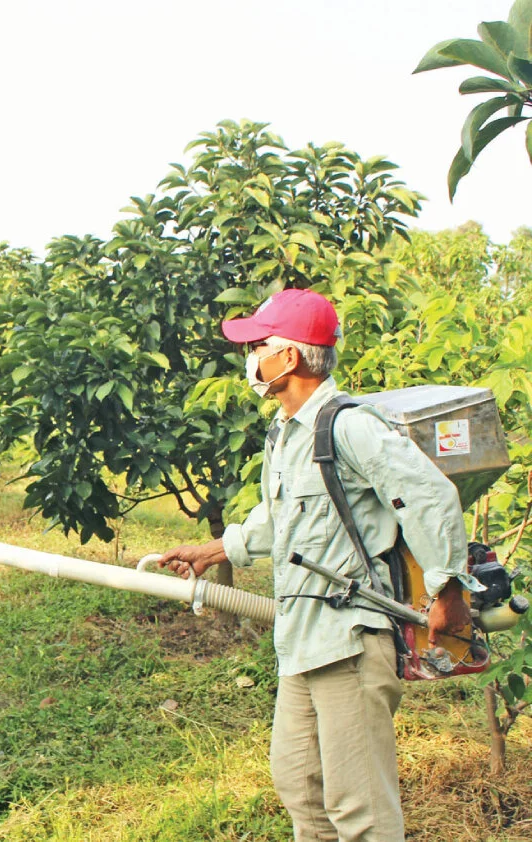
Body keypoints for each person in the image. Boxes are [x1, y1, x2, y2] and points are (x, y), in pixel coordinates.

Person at [158, 288, 476, 842]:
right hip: (303, 639)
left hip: (349, 638)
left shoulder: (348, 424)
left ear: (289, 357)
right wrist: (210, 552)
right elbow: (279, 517)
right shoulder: (287, 434)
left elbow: (429, 495)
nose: (250, 359)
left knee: (361, 809)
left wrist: (448, 590)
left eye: (257, 346)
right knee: (301, 786)